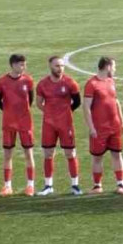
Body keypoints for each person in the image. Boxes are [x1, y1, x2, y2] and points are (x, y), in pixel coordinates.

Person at [35, 56, 82, 196]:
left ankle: (75, 185)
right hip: (49, 124)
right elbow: (38, 103)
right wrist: (50, 113)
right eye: (57, 66)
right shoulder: (42, 84)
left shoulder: (70, 83)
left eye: (62, 65)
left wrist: (66, 112)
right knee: (48, 154)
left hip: (66, 123)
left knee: (70, 153)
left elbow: (77, 101)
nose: (60, 68)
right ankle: (48, 185)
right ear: (50, 66)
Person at [82, 57, 123, 195]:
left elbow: (116, 101)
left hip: (115, 126)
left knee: (117, 154)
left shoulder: (110, 81)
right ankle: (97, 185)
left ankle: (120, 184)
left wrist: (122, 121)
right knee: (97, 157)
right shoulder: (92, 84)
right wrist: (91, 127)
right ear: (107, 66)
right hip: (99, 128)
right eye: (114, 66)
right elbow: (86, 107)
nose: (115, 69)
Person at [0, 54, 36, 197]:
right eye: (21, 64)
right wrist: (9, 112)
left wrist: (21, 113)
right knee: (7, 155)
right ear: (12, 65)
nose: (23, 67)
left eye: (24, 64)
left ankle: (30, 185)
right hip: (8, 123)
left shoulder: (28, 80)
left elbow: (30, 99)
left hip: (25, 122)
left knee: (28, 153)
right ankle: (7, 186)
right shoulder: (1, 81)